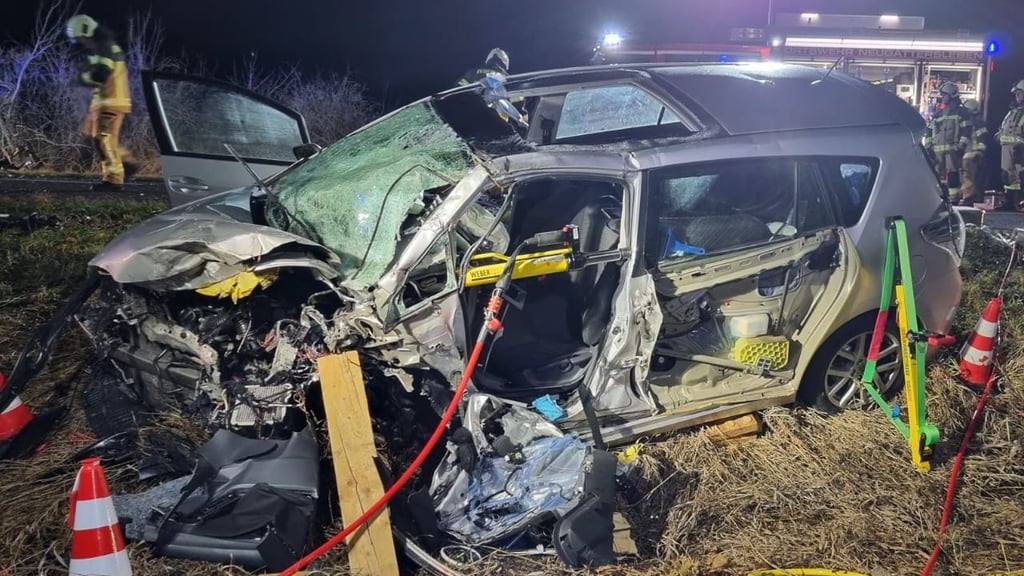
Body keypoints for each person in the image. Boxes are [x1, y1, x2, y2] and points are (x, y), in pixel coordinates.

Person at [66, 14, 135, 192]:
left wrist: (83, 77)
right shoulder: (100, 48)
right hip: (103, 101)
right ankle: (126, 163)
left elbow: (101, 74)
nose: (80, 43)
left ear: (87, 32)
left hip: (111, 101)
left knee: (105, 138)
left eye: (80, 39)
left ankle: (114, 180)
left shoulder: (105, 47)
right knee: (96, 136)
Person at [923, 81, 971, 201]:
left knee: (953, 174)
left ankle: (954, 197)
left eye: (945, 95)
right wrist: (928, 146)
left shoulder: (961, 113)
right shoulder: (938, 114)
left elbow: (966, 130)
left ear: (952, 95)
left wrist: (960, 146)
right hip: (937, 152)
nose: (943, 98)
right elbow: (929, 130)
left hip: (953, 151)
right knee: (935, 175)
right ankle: (936, 198)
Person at [997, 80, 1024, 206]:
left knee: (1021, 175)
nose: (1017, 96)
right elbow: (1003, 128)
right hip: (1007, 149)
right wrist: (999, 135)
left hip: (1021, 150)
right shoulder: (1012, 111)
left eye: (1020, 93)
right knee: (1007, 175)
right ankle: (1010, 201)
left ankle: (1020, 200)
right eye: (1016, 94)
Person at [959, 99, 990, 205]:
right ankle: (969, 197)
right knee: (968, 177)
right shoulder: (972, 122)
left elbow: (983, 139)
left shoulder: (976, 124)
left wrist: (979, 152)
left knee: (969, 178)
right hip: (969, 153)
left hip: (972, 154)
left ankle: (970, 197)